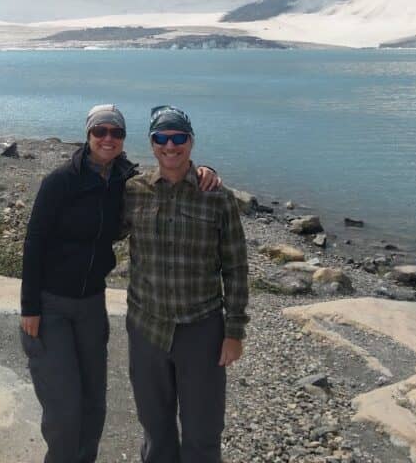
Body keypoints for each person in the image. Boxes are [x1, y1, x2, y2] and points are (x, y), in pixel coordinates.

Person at [20, 104, 220, 463]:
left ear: (125, 139)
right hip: (51, 305)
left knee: (95, 405)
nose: (108, 138)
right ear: (88, 135)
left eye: (116, 132)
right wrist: (29, 307)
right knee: (64, 409)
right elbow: (34, 242)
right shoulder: (61, 181)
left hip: (91, 305)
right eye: (100, 131)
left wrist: (204, 172)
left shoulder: (124, 181)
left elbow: (168, 176)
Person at [124, 105, 249, 463]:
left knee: (203, 432)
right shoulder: (134, 191)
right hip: (147, 328)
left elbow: (236, 267)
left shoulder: (218, 197)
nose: (170, 145)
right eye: (161, 138)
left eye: (178, 137)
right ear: (151, 144)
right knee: (156, 428)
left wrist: (234, 332)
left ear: (191, 142)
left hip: (202, 329)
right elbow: (97, 220)